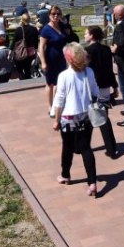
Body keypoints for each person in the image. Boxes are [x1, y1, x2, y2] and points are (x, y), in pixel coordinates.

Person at [51, 42, 101, 198]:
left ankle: (65, 175)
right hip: (86, 115)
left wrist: (56, 120)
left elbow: (59, 101)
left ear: (69, 60)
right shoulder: (89, 72)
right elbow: (96, 91)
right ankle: (92, 182)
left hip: (68, 117)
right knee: (86, 148)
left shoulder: (64, 76)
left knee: (67, 147)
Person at [85, 26, 120, 159]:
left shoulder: (87, 51)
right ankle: (111, 147)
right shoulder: (106, 49)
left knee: (93, 117)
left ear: (92, 35)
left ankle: (84, 146)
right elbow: (110, 70)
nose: (84, 36)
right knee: (101, 115)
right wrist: (115, 87)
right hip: (105, 87)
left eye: (86, 33)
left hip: (92, 88)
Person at [38, 6, 73, 113]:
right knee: (50, 83)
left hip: (61, 60)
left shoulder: (62, 27)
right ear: (49, 15)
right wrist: (43, 62)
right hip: (50, 60)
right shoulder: (46, 29)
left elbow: (69, 39)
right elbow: (41, 47)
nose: (56, 16)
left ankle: (58, 105)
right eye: (53, 14)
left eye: (58, 14)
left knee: (60, 83)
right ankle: (50, 106)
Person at [14, 13, 40, 79]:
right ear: (29, 20)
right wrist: (36, 50)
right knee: (28, 69)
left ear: (22, 20)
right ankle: (27, 82)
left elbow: (14, 42)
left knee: (19, 70)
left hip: (20, 52)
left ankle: (22, 81)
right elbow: (36, 41)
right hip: (30, 52)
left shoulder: (18, 29)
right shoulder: (34, 29)